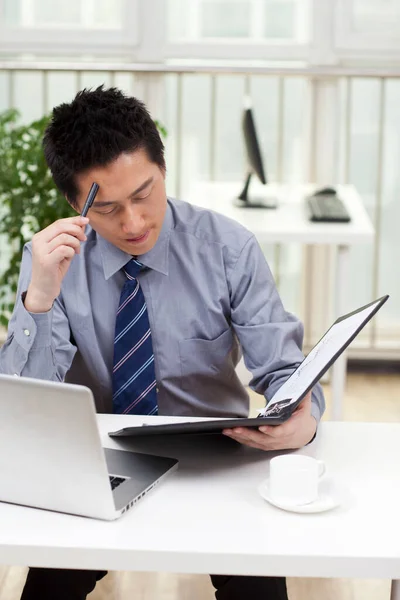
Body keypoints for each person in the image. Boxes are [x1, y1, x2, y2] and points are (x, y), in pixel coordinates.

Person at [0, 86, 325, 600]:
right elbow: (20, 411)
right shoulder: (51, 262)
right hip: (99, 463)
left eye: (143, 194)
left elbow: (285, 369)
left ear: (164, 170)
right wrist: (38, 297)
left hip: (217, 460)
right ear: (74, 202)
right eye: (106, 209)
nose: (132, 223)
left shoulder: (228, 249)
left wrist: (302, 420)